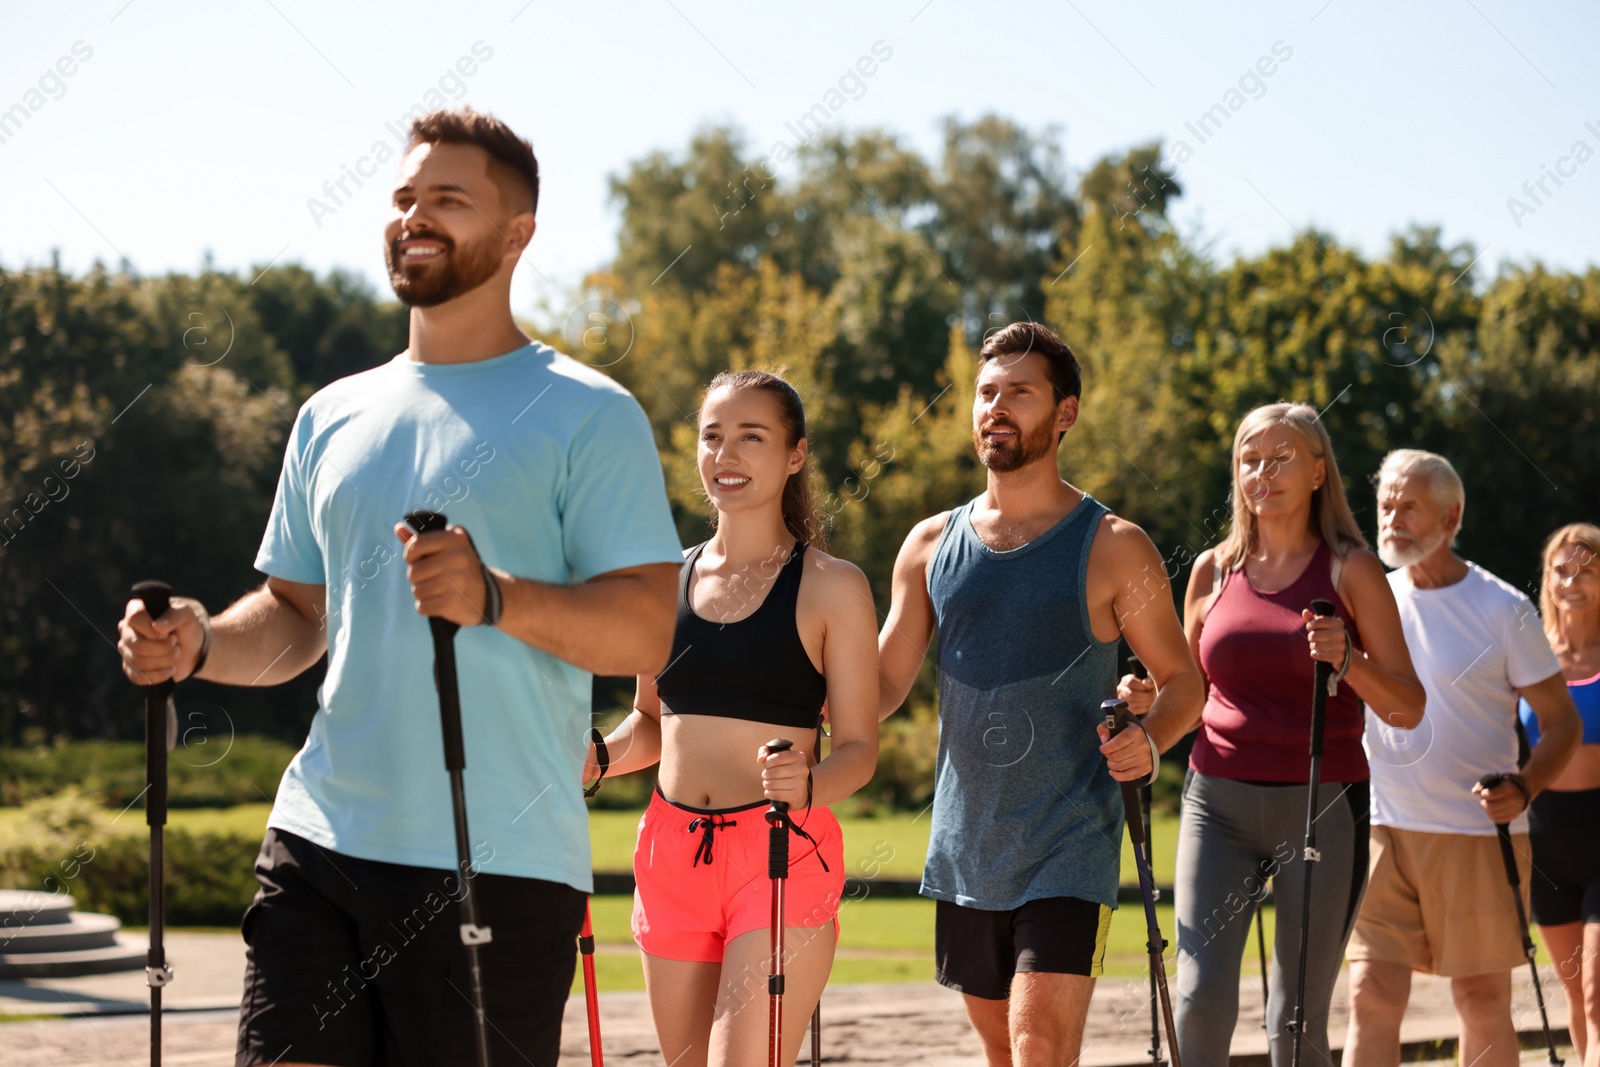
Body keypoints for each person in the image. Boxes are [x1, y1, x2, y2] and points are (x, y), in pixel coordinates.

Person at [114, 108, 684, 1067]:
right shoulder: (331, 414)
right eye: (405, 198)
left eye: (447, 200)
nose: (414, 216)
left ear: (517, 234)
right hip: (320, 839)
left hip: (497, 861)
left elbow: (646, 630)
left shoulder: (589, 413)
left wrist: (495, 596)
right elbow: (298, 618)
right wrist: (201, 641)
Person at [877, 321, 1205, 1067]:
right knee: (1003, 1048)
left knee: (1039, 1045)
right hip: (966, 846)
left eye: (1019, 392)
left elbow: (1186, 682)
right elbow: (885, 680)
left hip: (1070, 842)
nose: (996, 406)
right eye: (986, 391)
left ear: (1065, 413)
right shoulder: (929, 544)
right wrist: (813, 703)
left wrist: (1150, 743)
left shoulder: (1115, 544)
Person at [587, 369, 879, 1067]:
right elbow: (650, 724)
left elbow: (860, 748)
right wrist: (597, 755)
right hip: (670, 854)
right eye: (713, 437)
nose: (727, 454)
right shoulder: (664, 580)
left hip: (780, 852)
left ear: (796, 454)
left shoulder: (833, 587)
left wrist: (806, 783)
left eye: (752, 437)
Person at [1138, 404, 1424, 1067]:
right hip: (1218, 804)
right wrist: (1144, 706)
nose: (1260, 471)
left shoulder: (1350, 570)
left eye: (1279, 457)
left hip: (1323, 804)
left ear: (1319, 471)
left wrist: (1348, 661)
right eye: (1248, 458)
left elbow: (1408, 705)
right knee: (1200, 1002)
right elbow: (1190, 691)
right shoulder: (1211, 571)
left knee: (1294, 1024)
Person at [1344, 451, 1580, 1067]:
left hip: (1478, 834)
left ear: (1451, 517)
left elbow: (1561, 724)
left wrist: (1525, 788)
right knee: (1371, 994)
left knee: (1480, 999)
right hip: (1379, 827)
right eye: (1386, 505)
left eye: (1409, 506)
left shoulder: (1505, 610)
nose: (1392, 518)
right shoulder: (1369, 600)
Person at [1521, 524, 1600, 1067]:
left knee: (1597, 994)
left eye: (1588, 570)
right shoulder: (1526, 658)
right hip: (1544, 842)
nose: (1573, 581)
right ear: (1547, 580)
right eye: (1562, 570)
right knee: (1574, 997)